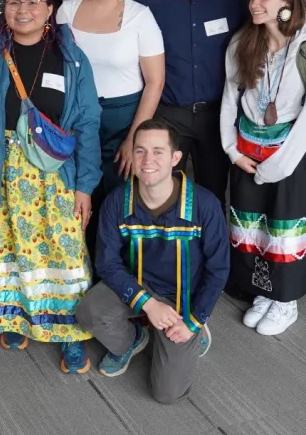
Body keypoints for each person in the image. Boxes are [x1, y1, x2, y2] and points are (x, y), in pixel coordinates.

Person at [0, 0, 102, 373]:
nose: (23, 10)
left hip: (56, 174)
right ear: (4, 9)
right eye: (14, 2)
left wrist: (85, 187)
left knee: (64, 250)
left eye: (33, 2)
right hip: (1, 167)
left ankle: (70, 332)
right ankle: (15, 317)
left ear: (49, 9)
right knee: (7, 246)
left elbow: (88, 122)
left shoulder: (72, 57)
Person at [77, 120, 229, 403]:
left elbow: (218, 269)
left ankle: (195, 334)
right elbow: (107, 264)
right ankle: (133, 339)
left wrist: (193, 321)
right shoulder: (116, 201)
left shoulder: (205, 204)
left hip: (182, 296)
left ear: (175, 158)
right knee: (87, 311)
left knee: (166, 394)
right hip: (137, 285)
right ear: (130, 155)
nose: (148, 161)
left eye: (158, 152)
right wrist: (147, 303)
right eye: (140, 151)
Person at [220, 0, 306, 336]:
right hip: (247, 155)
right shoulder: (242, 43)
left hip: (289, 160)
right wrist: (231, 150)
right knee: (251, 227)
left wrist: (278, 166)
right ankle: (263, 292)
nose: (254, 3)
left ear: (287, 2)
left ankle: (285, 301)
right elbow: (229, 101)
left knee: (284, 229)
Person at [57, 0, 165, 257]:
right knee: (78, 198)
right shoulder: (66, 12)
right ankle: (81, 274)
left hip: (125, 120)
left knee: (120, 202)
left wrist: (135, 139)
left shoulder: (140, 17)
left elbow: (155, 82)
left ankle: (119, 278)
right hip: (77, 120)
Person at [133, 0, 248, 204]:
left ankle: (208, 249)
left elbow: (251, 44)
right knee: (161, 193)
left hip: (218, 115)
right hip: (168, 114)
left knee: (213, 194)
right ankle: (165, 250)